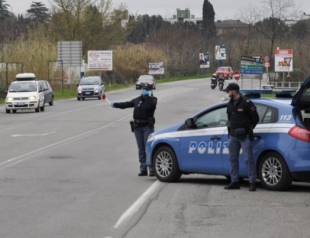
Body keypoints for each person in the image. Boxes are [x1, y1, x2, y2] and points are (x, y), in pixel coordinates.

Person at [109, 83, 157, 177]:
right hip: (138, 127)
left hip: (147, 127)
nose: (144, 91)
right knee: (141, 149)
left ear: (150, 91)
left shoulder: (153, 100)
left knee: (148, 147)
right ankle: (143, 169)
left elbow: (151, 107)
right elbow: (126, 104)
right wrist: (115, 104)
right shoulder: (137, 100)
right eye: (143, 89)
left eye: (146, 90)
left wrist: (148, 97)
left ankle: (151, 169)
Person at [223, 83, 259, 191]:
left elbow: (255, 118)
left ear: (234, 91)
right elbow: (230, 118)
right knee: (232, 159)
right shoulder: (229, 104)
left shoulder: (246, 103)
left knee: (248, 159)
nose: (228, 93)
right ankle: (235, 182)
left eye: (229, 91)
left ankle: (252, 182)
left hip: (245, 135)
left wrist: (249, 128)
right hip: (233, 135)